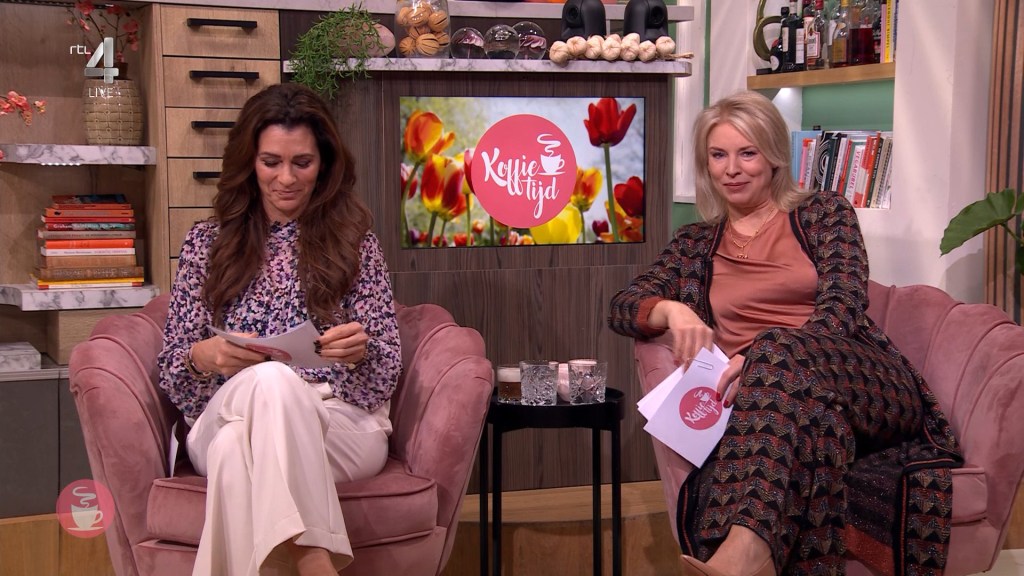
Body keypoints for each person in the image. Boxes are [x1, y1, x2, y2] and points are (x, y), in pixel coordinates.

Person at [608, 91, 962, 576]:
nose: (732, 169)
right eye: (718, 155)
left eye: (747, 153)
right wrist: (672, 310)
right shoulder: (694, 243)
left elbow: (843, 306)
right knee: (818, 431)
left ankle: (744, 555)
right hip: (773, 405)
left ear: (774, 156)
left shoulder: (824, 213)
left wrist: (763, 358)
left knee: (775, 345)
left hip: (861, 379)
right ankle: (755, 554)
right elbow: (622, 307)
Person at [157, 82, 401, 576]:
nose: (286, 178)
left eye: (302, 163)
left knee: (236, 451)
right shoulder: (206, 243)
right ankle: (314, 561)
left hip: (337, 421)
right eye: (271, 162)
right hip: (224, 410)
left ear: (324, 165)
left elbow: (384, 376)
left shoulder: (357, 243)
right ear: (249, 162)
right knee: (268, 383)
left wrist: (360, 353)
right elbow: (172, 372)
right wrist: (203, 357)